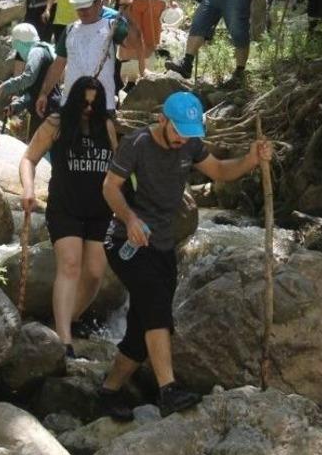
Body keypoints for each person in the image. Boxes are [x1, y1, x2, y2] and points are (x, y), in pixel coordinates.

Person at [96, 91, 273, 419]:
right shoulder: (136, 144)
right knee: (156, 306)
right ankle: (168, 390)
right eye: (178, 130)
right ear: (162, 119)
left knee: (141, 328)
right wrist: (130, 218)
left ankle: (108, 391)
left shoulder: (189, 143)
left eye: (188, 132)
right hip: (126, 241)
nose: (182, 139)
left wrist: (251, 159)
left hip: (162, 244)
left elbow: (219, 170)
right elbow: (109, 186)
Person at [20, 76, 118, 357]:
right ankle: (64, 341)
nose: (88, 109)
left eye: (94, 103)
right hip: (66, 206)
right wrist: (28, 188)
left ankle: (66, 318)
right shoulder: (56, 123)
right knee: (71, 265)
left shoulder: (107, 126)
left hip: (99, 209)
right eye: (84, 102)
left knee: (95, 273)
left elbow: (118, 164)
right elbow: (29, 158)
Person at [36, 0, 129, 117]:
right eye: (79, 7)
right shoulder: (70, 30)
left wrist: (128, 12)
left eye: (87, 6)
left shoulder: (112, 25)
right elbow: (58, 65)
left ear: (99, 2)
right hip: (71, 103)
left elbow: (133, 42)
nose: (82, 11)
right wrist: (44, 93)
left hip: (102, 105)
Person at [0, 22, 59, 136]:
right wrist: (16, 106)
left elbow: (28, 78)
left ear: (20, 43)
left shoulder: (36, 52)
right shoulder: (42, 50)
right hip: (43, 109)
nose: (19, 52)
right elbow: (34, 92)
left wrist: (6, 86)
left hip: (46, 110)